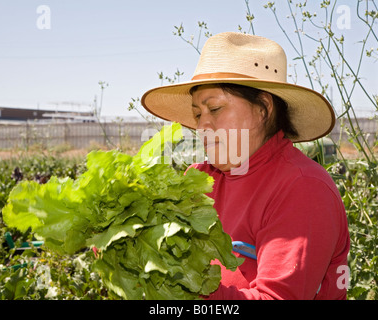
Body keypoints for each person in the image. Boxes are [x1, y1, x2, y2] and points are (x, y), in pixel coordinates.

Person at [141, 32, 350, 300]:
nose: (202, 126)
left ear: (263, 107)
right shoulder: (198, 179)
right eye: (197, 114)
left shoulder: (302, 187)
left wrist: (183, 284)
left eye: (214, 109)